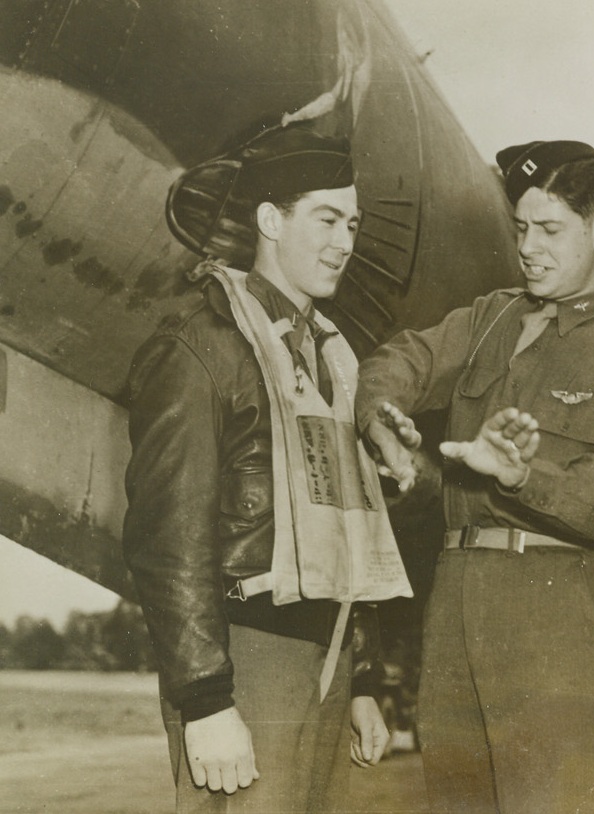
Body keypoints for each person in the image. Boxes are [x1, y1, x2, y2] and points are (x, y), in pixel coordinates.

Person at [355, 140, 594, 813]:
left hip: (555, 610)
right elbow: (399, 361)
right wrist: (380, 420)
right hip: (454, 604)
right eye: (521, 229)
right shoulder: (491, 318)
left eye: (550, 230)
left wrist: (519, 474)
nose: (529, 248)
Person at [122, 124, 413, 812]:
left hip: (328, 655)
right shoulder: (199, 348)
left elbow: (346, 525)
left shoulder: (333, 356)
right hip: (246, 659)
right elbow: (167, 540)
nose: (344, 242)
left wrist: (361, 680)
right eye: (326, 219)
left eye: (352, 224)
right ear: (270, 221)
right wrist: (204, 699)